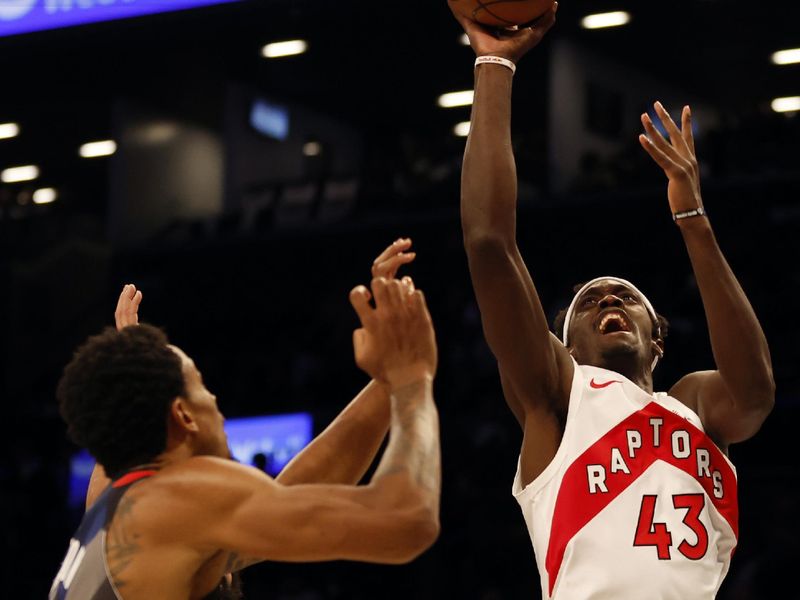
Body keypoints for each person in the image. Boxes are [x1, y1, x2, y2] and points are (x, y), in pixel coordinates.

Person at [450, 3, 775, 599]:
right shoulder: (558, 397)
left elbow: (755, 395)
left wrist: (693, 220)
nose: (609, 298)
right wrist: (493, 63)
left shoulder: (695, 405)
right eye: (590, 301)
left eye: (626, 296)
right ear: (564, 344)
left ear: (658, 336)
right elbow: (489, 243)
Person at [50, 239, 440, 600]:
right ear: (182, 415)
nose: (215, 399)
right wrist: (413, 379)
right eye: (200, 385)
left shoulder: (112, 499)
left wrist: (390, 376)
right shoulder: (174, 504)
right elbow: (406, 518)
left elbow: (301, 488)